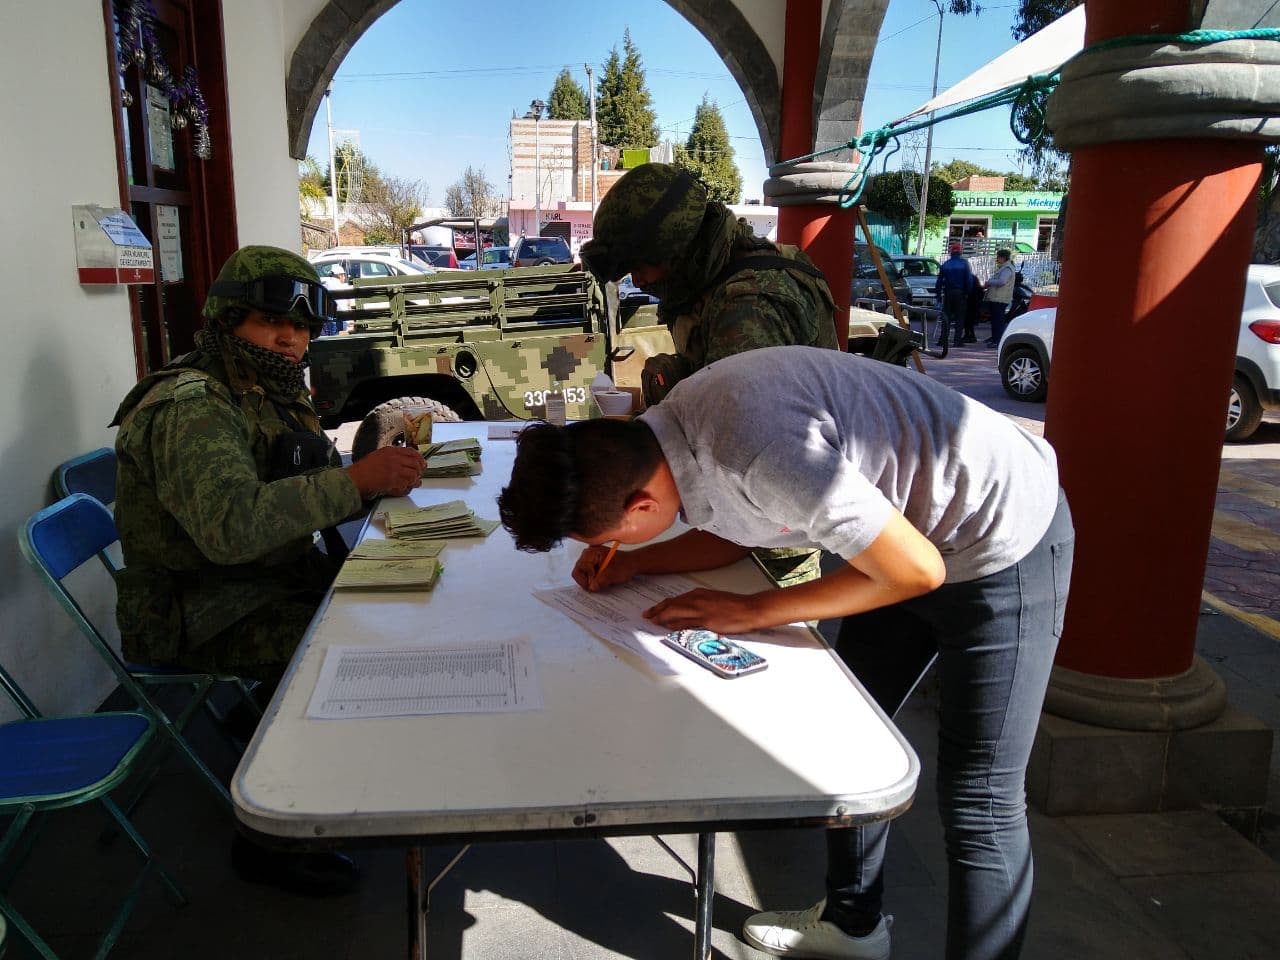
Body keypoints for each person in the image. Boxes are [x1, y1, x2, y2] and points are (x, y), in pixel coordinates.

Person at [497, 345, 1073, 960]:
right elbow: (732, 527)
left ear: (640, 507)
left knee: (979, 801)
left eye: (609, 539)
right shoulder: (674, 434)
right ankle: (854, 925)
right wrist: (637, 561)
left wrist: (752, 611)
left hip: (998, 536)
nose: (608, 548)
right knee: (854, 742)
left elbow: (917, 571)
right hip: (896, 541)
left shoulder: (761, 451)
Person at [111, 245, 424, 896]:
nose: (291, 339)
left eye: (304, 327)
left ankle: (259, 720)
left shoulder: (263, 388)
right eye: (270, 322)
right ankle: (271, 843)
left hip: (256, 584)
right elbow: (232, 527)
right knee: (345, 655)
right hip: (198, 609)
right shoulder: (192, 404)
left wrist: (369, 482)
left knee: (385, 608)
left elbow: (292, 482)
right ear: (228, 321)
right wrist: (353, 482)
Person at [579, 161, 840, 587]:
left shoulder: (749, 304)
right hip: (732, 522)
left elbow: (744, 451)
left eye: (642, 266)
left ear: (677, 248)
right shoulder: (716, 282)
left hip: (770, 541)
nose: (640, 280)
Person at [935, 242, 977, 348]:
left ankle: (943, 340)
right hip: (960, 293)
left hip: (948, 293)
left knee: (946, 317)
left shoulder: (945, 265)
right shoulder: (964, 264)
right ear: (960, 251)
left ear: (951, 252)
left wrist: (938, 295)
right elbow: (969, 280)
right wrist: (968, 293)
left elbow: (939, 282)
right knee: (960, 318)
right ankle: (957, 341)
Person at [983, 248, 1016, 346]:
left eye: (998, 257)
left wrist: (989, 282)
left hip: (1000, 298)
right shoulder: (1004, 267)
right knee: (995, 319)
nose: (997, 259)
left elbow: (1002, 281)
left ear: (1003, 258)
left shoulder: (1007, 268)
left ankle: (997, 340)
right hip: (997, 298)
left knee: (998, 320)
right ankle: (994, 337)